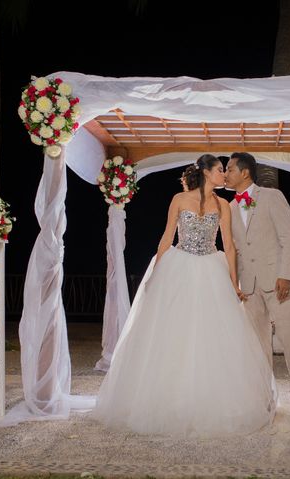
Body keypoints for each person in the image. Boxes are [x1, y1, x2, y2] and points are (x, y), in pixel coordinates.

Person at [91, 154, 277, 437]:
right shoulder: (179, 199)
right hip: (179, 267)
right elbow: (167, 237)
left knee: (211, 335)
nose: (224, 176)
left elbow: (228, 245)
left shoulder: (223, 205)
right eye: (219, 170)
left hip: (211, 269)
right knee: (173, 333)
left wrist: (233, 282)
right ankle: (166, 399)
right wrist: (157, 272)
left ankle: (209, 400)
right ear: (206, 172)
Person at [225, 152, 290, 422]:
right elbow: (235, 249)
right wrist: (236, 283)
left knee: (288, 339)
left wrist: (285, 274)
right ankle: (266, 396)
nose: (225, 174)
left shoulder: (272, 197)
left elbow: (289, 237)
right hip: (248, 286)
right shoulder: (229, 207)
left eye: (228, 169)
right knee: (259, 345)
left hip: (277, 282)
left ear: (245, 172)